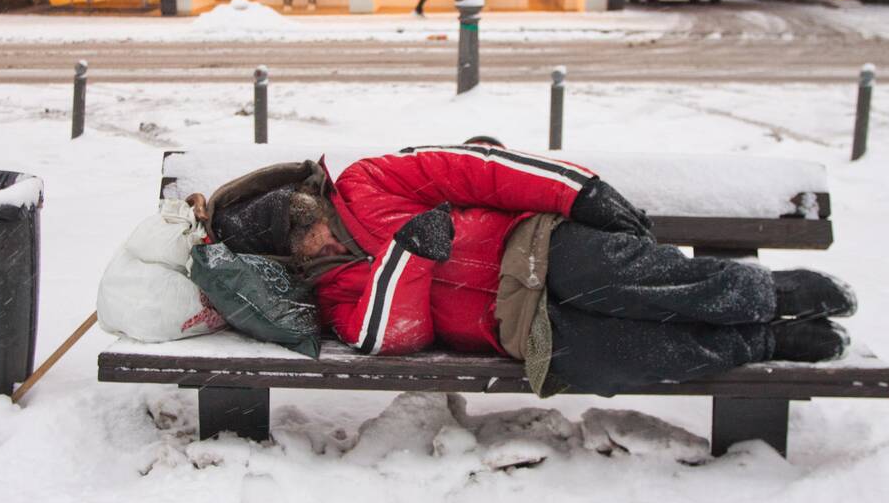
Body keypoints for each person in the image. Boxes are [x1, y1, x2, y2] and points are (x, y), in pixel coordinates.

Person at [202, 143, 855, 397]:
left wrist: (579, 193)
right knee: (616, 356)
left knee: (629, 280)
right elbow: (387, 336)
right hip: (512, 326)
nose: (313, 240)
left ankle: (765, 293)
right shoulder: (335, 293)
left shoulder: (368, 182)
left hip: (535, 248)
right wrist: (410, 258)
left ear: (306, 199)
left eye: (301, 220)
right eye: (295, 247)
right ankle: (762, 341)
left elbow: (478, 169)